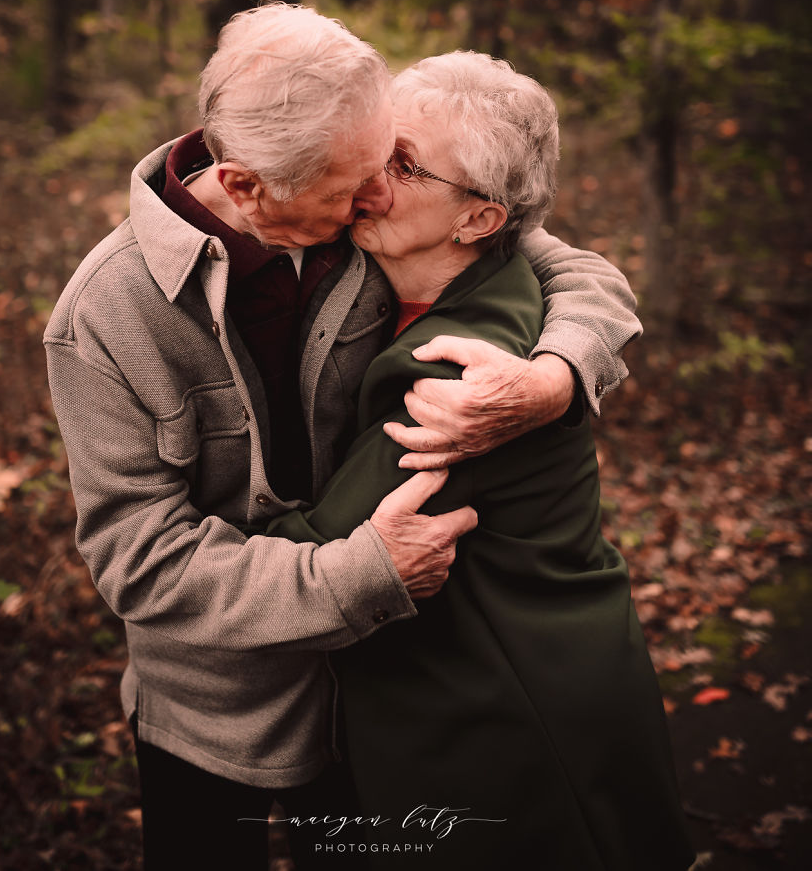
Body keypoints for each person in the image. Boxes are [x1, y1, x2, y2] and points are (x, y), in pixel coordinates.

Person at [44, 4, 643, 870]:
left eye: (388, 165)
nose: (373, 194)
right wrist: (356, 572)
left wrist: (555, 377)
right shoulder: (107, 314)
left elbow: (547, 254)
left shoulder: (363, 215)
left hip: (370, 704)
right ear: (247, 185)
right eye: (352, 185)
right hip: (218, 716)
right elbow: (137, 556)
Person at [264, 51, 695, 870]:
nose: (367, 175)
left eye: (404, 164)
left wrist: (179, 526)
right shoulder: (461, 274)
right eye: (378, 144)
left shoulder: (457, 372)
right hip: (549, 666)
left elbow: (318, 548)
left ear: (478, 221)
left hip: (509, 711)